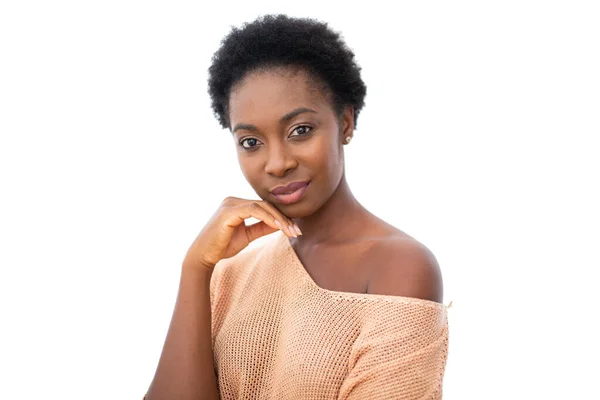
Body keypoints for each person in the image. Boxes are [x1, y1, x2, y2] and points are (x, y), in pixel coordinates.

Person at [143, 14, 450, 400]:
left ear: (345, 122)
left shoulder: (400, 265)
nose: (277, 163)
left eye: (300, 131)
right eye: (251, 142)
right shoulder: (230, 275)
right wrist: (195, 269)